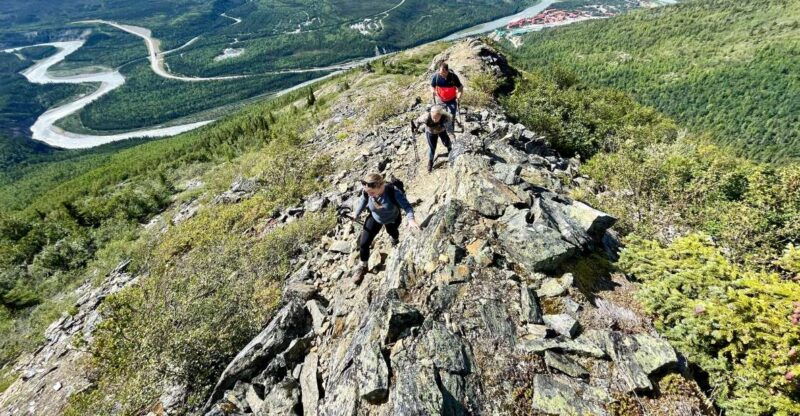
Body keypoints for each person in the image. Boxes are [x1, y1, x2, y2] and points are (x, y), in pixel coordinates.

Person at [351, 173, 419, 284]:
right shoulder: (368, 191)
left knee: (392, 232)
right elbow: (363, 200)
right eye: (368, 192)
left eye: (372, 192)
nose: (370, 195)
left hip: (392, 219)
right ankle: (363, 266)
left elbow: (407, 207)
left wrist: (411, 219)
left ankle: (395, 240)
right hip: (375, 217)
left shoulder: (393, 192)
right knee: (363, 243)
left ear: (380, 186)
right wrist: (356, 213)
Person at [416, 105, 452, 173]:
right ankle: (430, 161)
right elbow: (417, 121)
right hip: (430, 132)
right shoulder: (425, 117)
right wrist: (416, 128)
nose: (434, 119)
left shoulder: (446, 118)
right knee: (432, 148)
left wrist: (453, 138)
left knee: (447, 143)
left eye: (437, 117)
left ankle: (450, 151)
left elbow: (450, 131)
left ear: (441, 115)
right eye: (433, 117)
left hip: (442, 131)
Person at [430, 62, 463, 132]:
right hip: (440, 99)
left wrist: (459, 95)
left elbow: (460, 87)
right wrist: (433, 91)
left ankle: (451, 130)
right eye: (440, 72)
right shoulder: (436, 77)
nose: (441, 74)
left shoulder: (453, 77)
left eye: (443, 72)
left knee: (452, 116)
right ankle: (441, 129)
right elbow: (432, 86)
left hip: (452, 99)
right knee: (440, 114)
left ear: (447, 70)